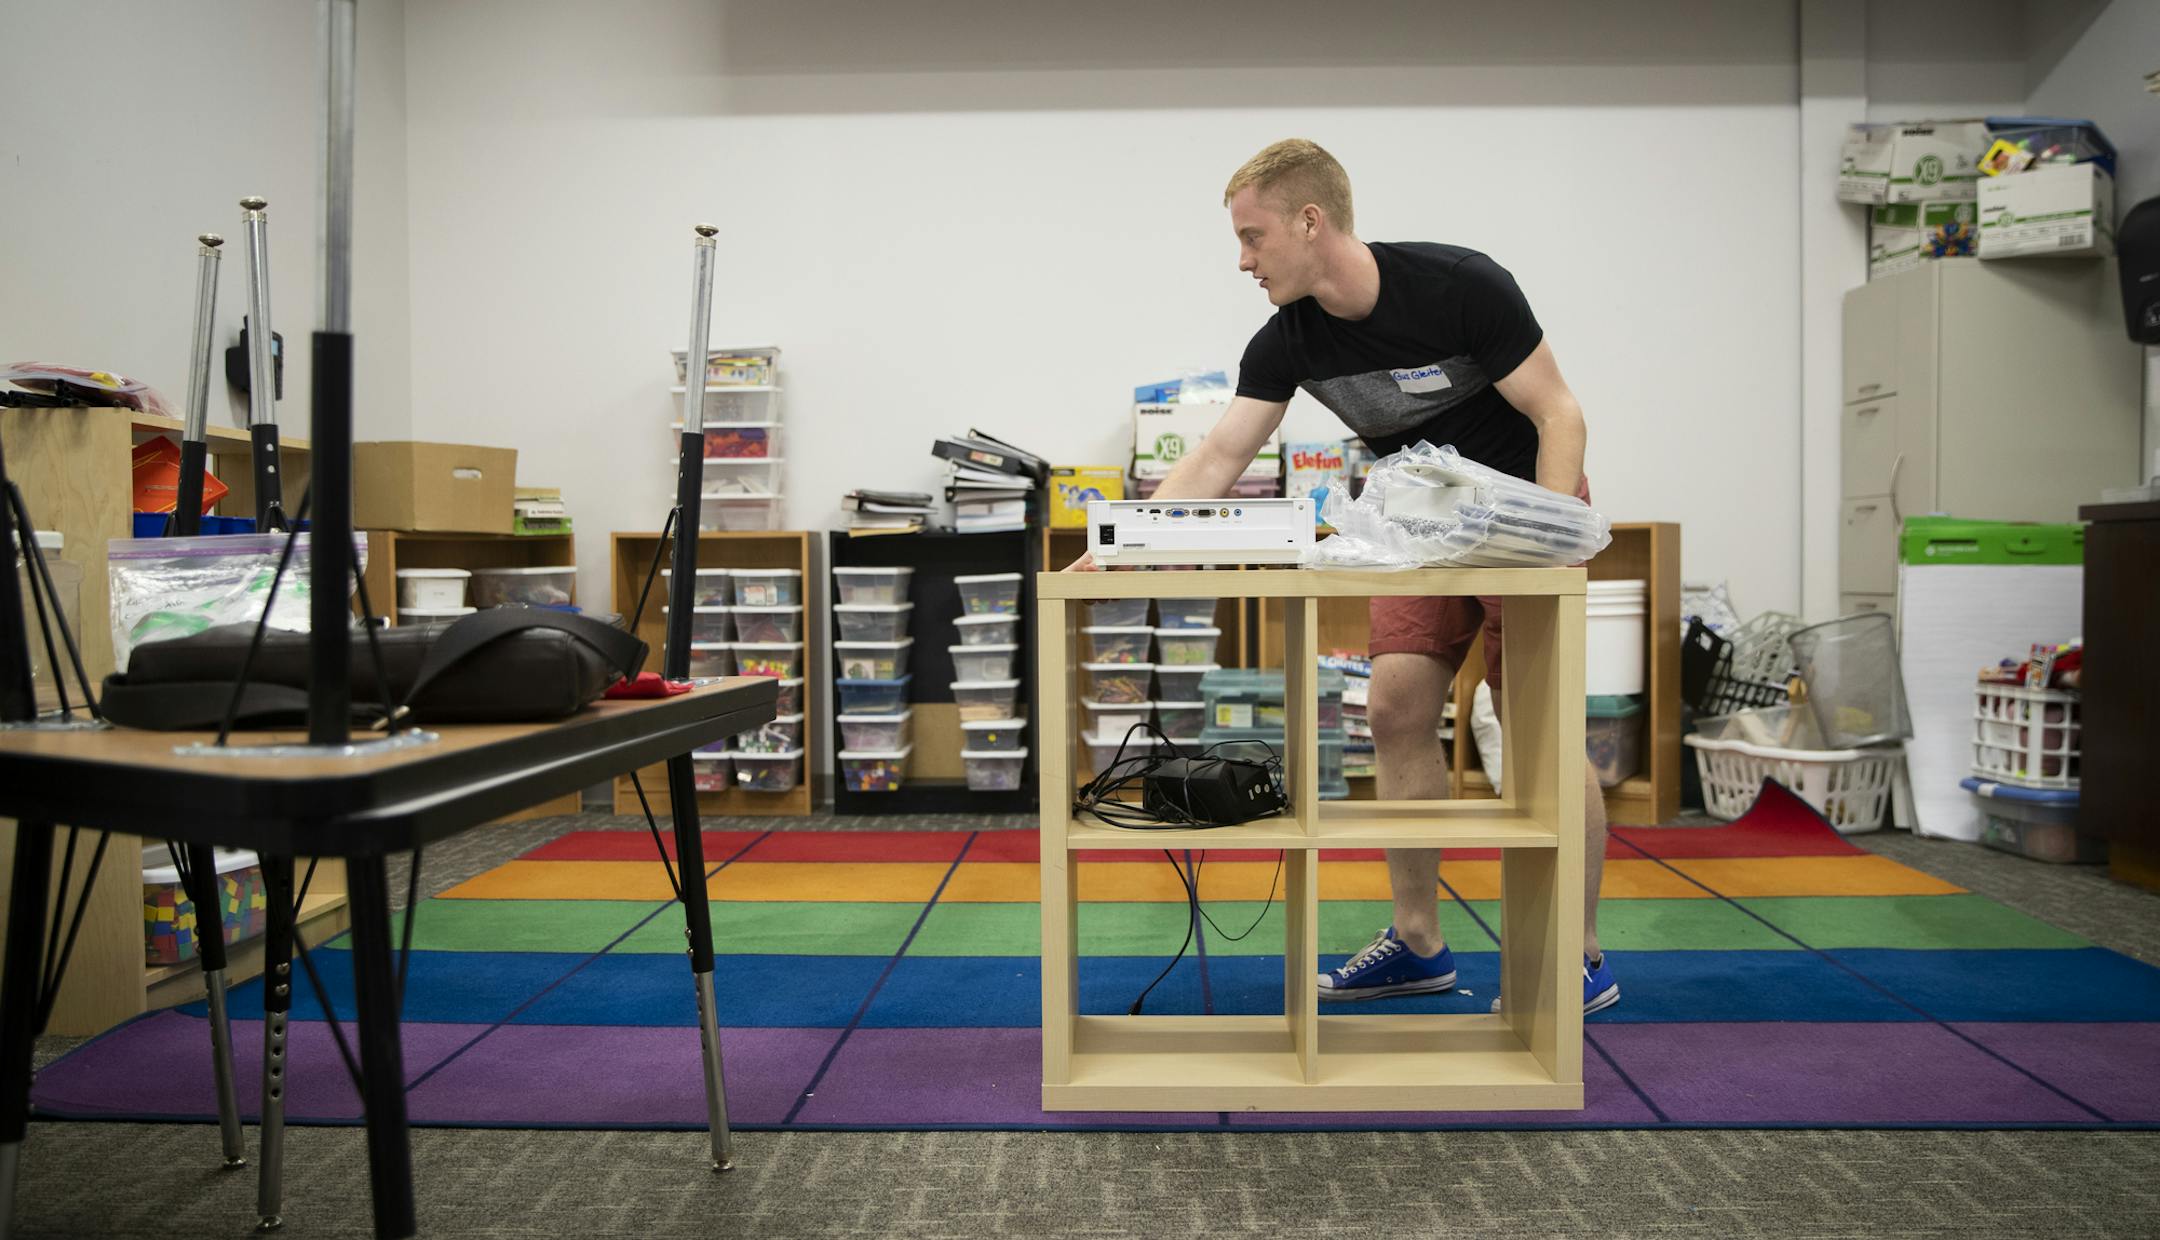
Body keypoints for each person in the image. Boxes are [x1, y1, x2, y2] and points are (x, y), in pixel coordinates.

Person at [1063, 138, 1616, 1015]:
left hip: (1524, 511)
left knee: (1536, 723)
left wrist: (1547, 538)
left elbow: (1559, 410)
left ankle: (1577, 951)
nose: (1243, 261)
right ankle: (1419, 940)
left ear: (1310, 221)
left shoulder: (1462, 284)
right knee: (1395, 706)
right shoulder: (1288, 339)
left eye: (1253, 237)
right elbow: (1218, 453)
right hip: (1423, 522)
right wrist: (1123, 540)